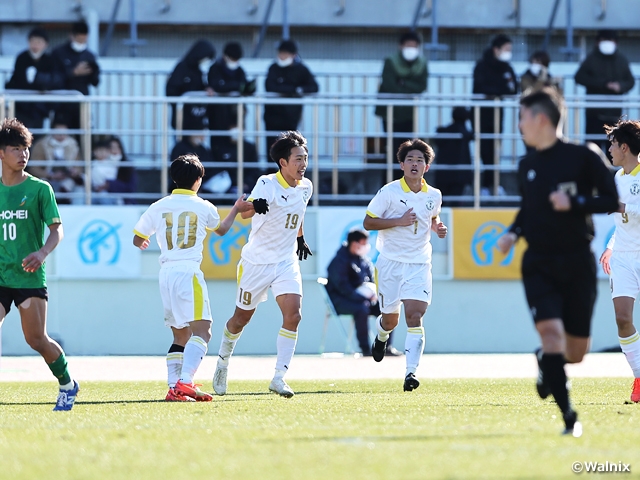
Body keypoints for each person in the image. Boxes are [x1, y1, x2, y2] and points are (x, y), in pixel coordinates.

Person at [497, 88, 619, 436]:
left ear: (541, 119)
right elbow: (529, 208)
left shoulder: (584, 156)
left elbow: (611, 199)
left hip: (577, 261)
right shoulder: (526, 164)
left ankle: (546, 363)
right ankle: (569, 417)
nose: (519, 126)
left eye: (522, 118)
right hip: (538, 262)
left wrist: (576, 202)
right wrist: (513, 232)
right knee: (551, 335)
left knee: (576, 351)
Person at [132, 154, 253, 401]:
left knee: (180, 335)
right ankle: (185, 381)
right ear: (198, 180)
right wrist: (237, 209)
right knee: (203, 331)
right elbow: (221, 229)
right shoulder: (203, 206)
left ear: (174, 179)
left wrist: (143, 241)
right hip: (188, 271)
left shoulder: (158, 206)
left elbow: (137, 238)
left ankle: (174, 387)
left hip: (165, 273)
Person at [212, 131, 314, 398]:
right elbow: (245, 212)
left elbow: (298, 212)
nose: (303, 164)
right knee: (241, 319)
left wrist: (300, 238)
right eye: (298, 159)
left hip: (285, 261)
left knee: (294, 314)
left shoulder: (306, 186)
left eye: (305, 158)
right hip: (256, 263)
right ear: (283, 162)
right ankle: (223, 360)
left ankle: (279, 377)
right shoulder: (267, 183)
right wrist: (254, 205)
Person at [0, 118, 79, 411]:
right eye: (15, 149)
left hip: (29, 277)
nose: (22, 155)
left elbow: (57, 229)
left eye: (25, 149)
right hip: (0, 275)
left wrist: (43, 252)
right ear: (1, 153)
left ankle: (68, 384)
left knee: (36, 339)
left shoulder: (39, 189)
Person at [363, 138, 448, 391]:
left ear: (426, 167)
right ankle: (381, 336)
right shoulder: (389, 192)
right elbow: (368, 222)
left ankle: (411, 373)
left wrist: (437, 226)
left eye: (419, 160)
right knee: (390, 321)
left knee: (415, 314)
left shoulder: (434, 195)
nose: (414, 164)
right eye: (409, 159)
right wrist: (399, 221)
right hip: (390, 263)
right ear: (401, 165)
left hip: (419, 262)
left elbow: (432, 216)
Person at [598, 119, 640, 403]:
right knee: (623, 319)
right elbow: (622, 222)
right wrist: (612, 246)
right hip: (624, 257)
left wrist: (620, 206)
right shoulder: (617, 178)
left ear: (624, 147)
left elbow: (628, 210)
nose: (609, 149)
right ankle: (639, 378)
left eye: (612, 144)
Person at [326, 228, 400, 357]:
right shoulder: (339, 261)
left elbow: (371, 281)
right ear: (354, 244)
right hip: (341, 301)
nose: (366, 246)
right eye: (363, 243)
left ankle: (385, 347)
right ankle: (366, 350)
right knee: (362, 309)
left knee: (387, 308)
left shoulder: (364, 260)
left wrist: (373, 295)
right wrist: (361, 297)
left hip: (364, 300)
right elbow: (342, 287)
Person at [472, 34, 518, 195]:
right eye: (506, 49)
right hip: (481, 114)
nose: (508, 53)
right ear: (496, 49)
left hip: (498, 113)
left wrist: (497, 92)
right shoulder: (482, 66)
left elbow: (513, 89)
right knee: (484, 150)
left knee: (495, 148)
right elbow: (480, 87)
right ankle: (485, 185)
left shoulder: (506, 67)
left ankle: (494, 184)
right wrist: (498, 91)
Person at [575, 30, 635, 153]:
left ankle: (612, 172)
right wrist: (603, 84)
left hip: (614, 114)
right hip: (594, 113)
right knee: (592, 149)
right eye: (604, 40)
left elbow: (630, 81)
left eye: (610, 41)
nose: (607, 44)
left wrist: (620, 86)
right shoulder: (591, 58)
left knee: (613, 149)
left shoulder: (621, 60)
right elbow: (579, 77)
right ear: (597, 42)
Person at [375, 31, 428, 156]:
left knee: (408, 149)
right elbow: (389, 85)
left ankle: (405, 175)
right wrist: (409, 88)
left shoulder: (421, 64)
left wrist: (403, 83)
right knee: (391, 148)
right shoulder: (391, 61)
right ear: (401, 46)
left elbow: (421, 86)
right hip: (389, 111)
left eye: (414, 46)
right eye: (408, 45)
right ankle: (390, 175)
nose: (411, 49)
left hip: (409, 113)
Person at [264, 40, 318, 152]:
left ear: (293, 55)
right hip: (272, 114)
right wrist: (292, 89)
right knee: (272, 147)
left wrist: (298, 89)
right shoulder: (273, 68)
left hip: (291, 116)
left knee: (288, 147)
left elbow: (314, 87)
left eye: (285, 54)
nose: (282, 57)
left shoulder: (301, 69)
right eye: (280, 53)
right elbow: (269, 86)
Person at [5, 28, 62, 132]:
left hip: (40, 107)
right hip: (21, 106)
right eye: (32, 41)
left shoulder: (50, 60)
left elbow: (54, 81)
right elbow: (16, 79)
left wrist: (39, 79)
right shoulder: (22, 58)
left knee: (36, 135)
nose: (35, 45)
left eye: (39, 42)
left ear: (46, 44)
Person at [52, 21, 100, 130]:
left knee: (84, 134)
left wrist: (93, 70)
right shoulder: (59, 53)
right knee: (60, 136)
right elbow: (54, 78)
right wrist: (73, 72)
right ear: (72, 36)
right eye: (79, 39)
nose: (81, 42)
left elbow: (95, 81)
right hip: (62, 104)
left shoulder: (89, 56)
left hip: (82, 103)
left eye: (84, 39)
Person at [208, 41, 256, 146]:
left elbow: (244, 86)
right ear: (225, 56)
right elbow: (217, 86)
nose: (235, 62)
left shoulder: (239, 71)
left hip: (236, 115)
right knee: (219, 142)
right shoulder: (215, 68)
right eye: (233, 59)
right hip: (218, 114)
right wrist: (236, 86)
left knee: (237, 144)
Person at [28, 114, 83, 204]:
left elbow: (79, 167)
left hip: (68, 181)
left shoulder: (73, 145)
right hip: (46, 179)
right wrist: (51, 175)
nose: (61, 135)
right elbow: (34, 168)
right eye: (58, 132)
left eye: (64, 132)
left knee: (80, 189)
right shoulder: (41, 144)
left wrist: (74, 172)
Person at [166, 40, 215, 131]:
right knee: (182, 142)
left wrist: (206, 89)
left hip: (196, 118)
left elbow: (200, 86)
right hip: (182, 118)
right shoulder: (181, 68)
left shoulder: (198, 71)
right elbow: (172, 90)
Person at [433, 106, 473, 204]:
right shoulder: (464, 133)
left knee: (441, 204)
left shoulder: (444, 133)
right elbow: (472, 134)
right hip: (459, 175)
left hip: (443, 174)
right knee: (456, 203)